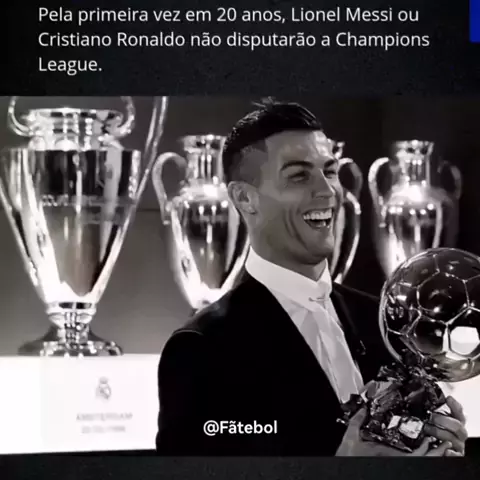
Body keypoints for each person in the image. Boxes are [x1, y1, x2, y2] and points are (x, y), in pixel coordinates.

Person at [155, 100, 467, 456]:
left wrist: (441, 451)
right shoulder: (201, 349)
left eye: (330, 172)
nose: (328, 191)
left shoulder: (386, 322)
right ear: (245, 198)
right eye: (299, 176)